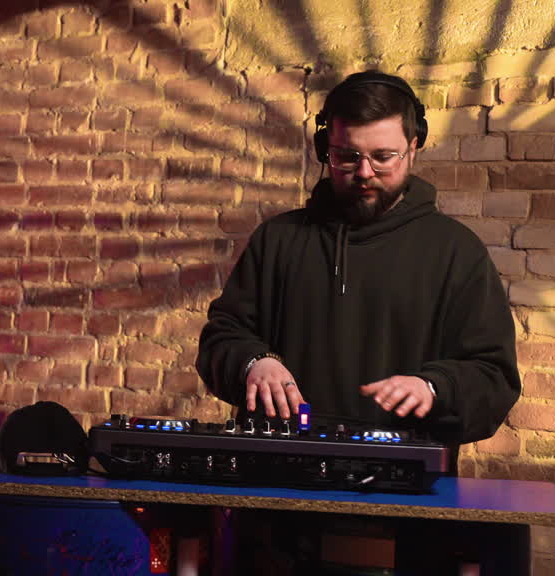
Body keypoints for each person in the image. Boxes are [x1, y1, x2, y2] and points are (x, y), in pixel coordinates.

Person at [195, 70, 520, 444]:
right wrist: (253, 362)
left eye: (383, 157)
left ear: (414, 147)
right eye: (347, 157)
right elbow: (221, 338)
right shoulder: (277, 239)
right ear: (324, 149)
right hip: (275, 462)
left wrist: (434, 388)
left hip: (404, 473)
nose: (365, 172)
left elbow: (494, 378)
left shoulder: (457, 252)